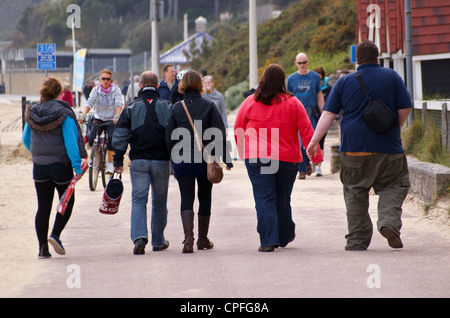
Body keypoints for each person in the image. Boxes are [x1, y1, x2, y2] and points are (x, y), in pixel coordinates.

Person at [306, 40, 412, 251]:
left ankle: (357, 240)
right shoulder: (391, 76)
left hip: (354, 149)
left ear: (357, 60)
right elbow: (406, 106)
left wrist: (313, 142)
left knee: (355, 192)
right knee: (394, 185)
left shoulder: (344, 82)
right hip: (388, 148)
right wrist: (396, 126)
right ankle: (388, 223)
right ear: (377, 57)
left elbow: (328, 114)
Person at [234, 64, 323, 252]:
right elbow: (307, 129)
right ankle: (284, 235)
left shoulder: (251, 101)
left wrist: (243, 152)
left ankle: (268, 240)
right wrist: (316, 155)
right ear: (283, 81)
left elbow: (238, 128)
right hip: (287, 157)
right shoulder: (293, 102)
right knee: (282, 198)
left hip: (258, 157)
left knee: (264, 198)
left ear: (263, 79)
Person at [166, 70, 233, 253]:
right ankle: (202, 239)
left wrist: (170, 158)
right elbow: (219, 133)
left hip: (182, 159)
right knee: (205, 197)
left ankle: (188, 240)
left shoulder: (177, 108)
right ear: (199, 84)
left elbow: (169, 136)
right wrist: (227, 159)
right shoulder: (209, 106)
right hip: (205, 160)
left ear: (182, 86)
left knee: (186, 198)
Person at [22, 77, 87, 258]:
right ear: (60, 92)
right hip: (61, 166)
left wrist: (38, 153)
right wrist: (77, 166)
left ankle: (43, 248)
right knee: (67, 201)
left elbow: (26, 139)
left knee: (43, 207)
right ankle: (56, 235)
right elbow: (71, 142)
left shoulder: (32, 112)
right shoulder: (63, 113)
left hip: (40, 167)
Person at [112, 71, 171, 255]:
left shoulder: (130, 108)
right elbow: (175, 135)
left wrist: (118, 159)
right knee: (159, 202)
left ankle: (139, 237)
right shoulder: (168, 106)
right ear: (157, 86)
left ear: (140, 86)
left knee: (139, 200)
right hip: (161, 161)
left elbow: (120, 136)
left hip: (139, 161)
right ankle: (158, 240)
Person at [287, 53, 324, 179]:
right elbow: (288, 97)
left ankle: (309, 163)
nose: (302, 65)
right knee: (298, 141)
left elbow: (319, 95)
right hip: (296, 113)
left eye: (304, 62)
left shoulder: (314, 77)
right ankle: (301, 170)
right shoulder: (291, 79)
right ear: (296, 63)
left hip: (311, 112)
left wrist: (324, 112)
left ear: (308, 62)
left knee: (311, 139)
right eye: (299, 63)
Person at [79, 69, 123, 174]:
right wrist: (83, 114)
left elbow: (119, 104)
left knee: (112, 138)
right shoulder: (95, 90)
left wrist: (117, 115)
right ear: (100, 79)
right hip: (98, 117)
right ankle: (96, 157)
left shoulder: (116, 90)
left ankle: (110, 163)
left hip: (111, 119)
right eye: (103, 79)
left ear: (111, 80)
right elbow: (89, 103)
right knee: (91, 138)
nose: (105, 81)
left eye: (108, 79)